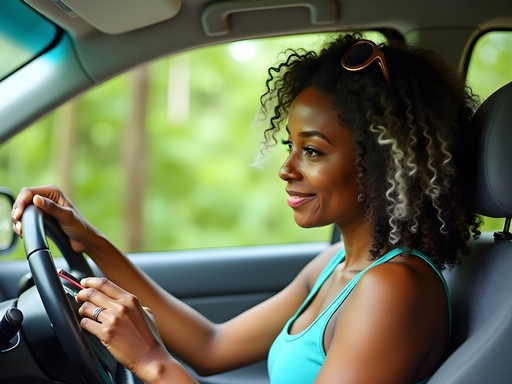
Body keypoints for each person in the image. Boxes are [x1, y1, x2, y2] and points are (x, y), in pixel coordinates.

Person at [11, 33, 480, 384]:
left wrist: (152, 362)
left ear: (384, 165)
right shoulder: (338, 265)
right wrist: (90, 241)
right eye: (289, 145)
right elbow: (212, 347)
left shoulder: (393, 289)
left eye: (312, 151)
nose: (286, 169)